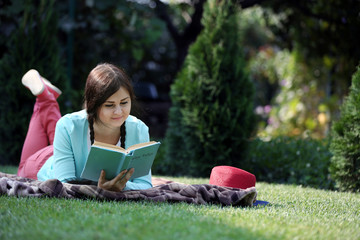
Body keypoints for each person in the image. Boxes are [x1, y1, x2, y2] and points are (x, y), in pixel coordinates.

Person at [17, 63, 152, 192]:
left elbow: (145, 184)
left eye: (124, 103)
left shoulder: (139, 130)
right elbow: (63, 184)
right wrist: (102, 188)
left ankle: (46, 98)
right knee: (23, 168)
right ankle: (45, 99)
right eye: (109, 105)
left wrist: (120, 186)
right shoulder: (68, 125)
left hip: (67, 149)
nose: (118, 111)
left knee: (66, 129)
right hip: (41, 163)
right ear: (93, 104)